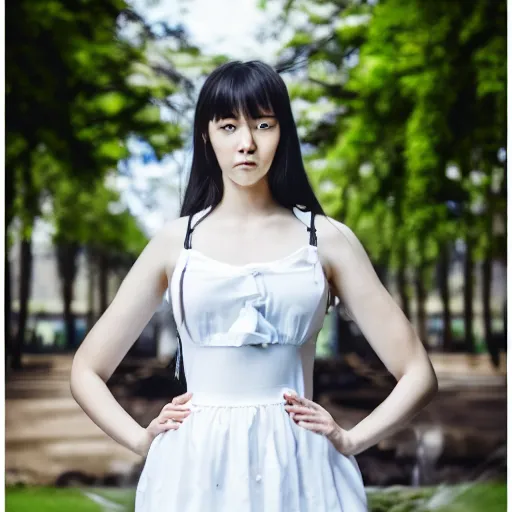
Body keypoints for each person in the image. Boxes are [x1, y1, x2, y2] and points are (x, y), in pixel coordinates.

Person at [70, 60, 438, 511]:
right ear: (206, 136)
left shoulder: (325, 239)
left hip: (300, 465)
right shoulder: (174, 242)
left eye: (263, 124)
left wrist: (350, 439)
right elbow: (86, 370)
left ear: (282, 132)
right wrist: (144, 440)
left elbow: (418, 372)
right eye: (228, 126)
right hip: (191, 470)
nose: (246, 143)